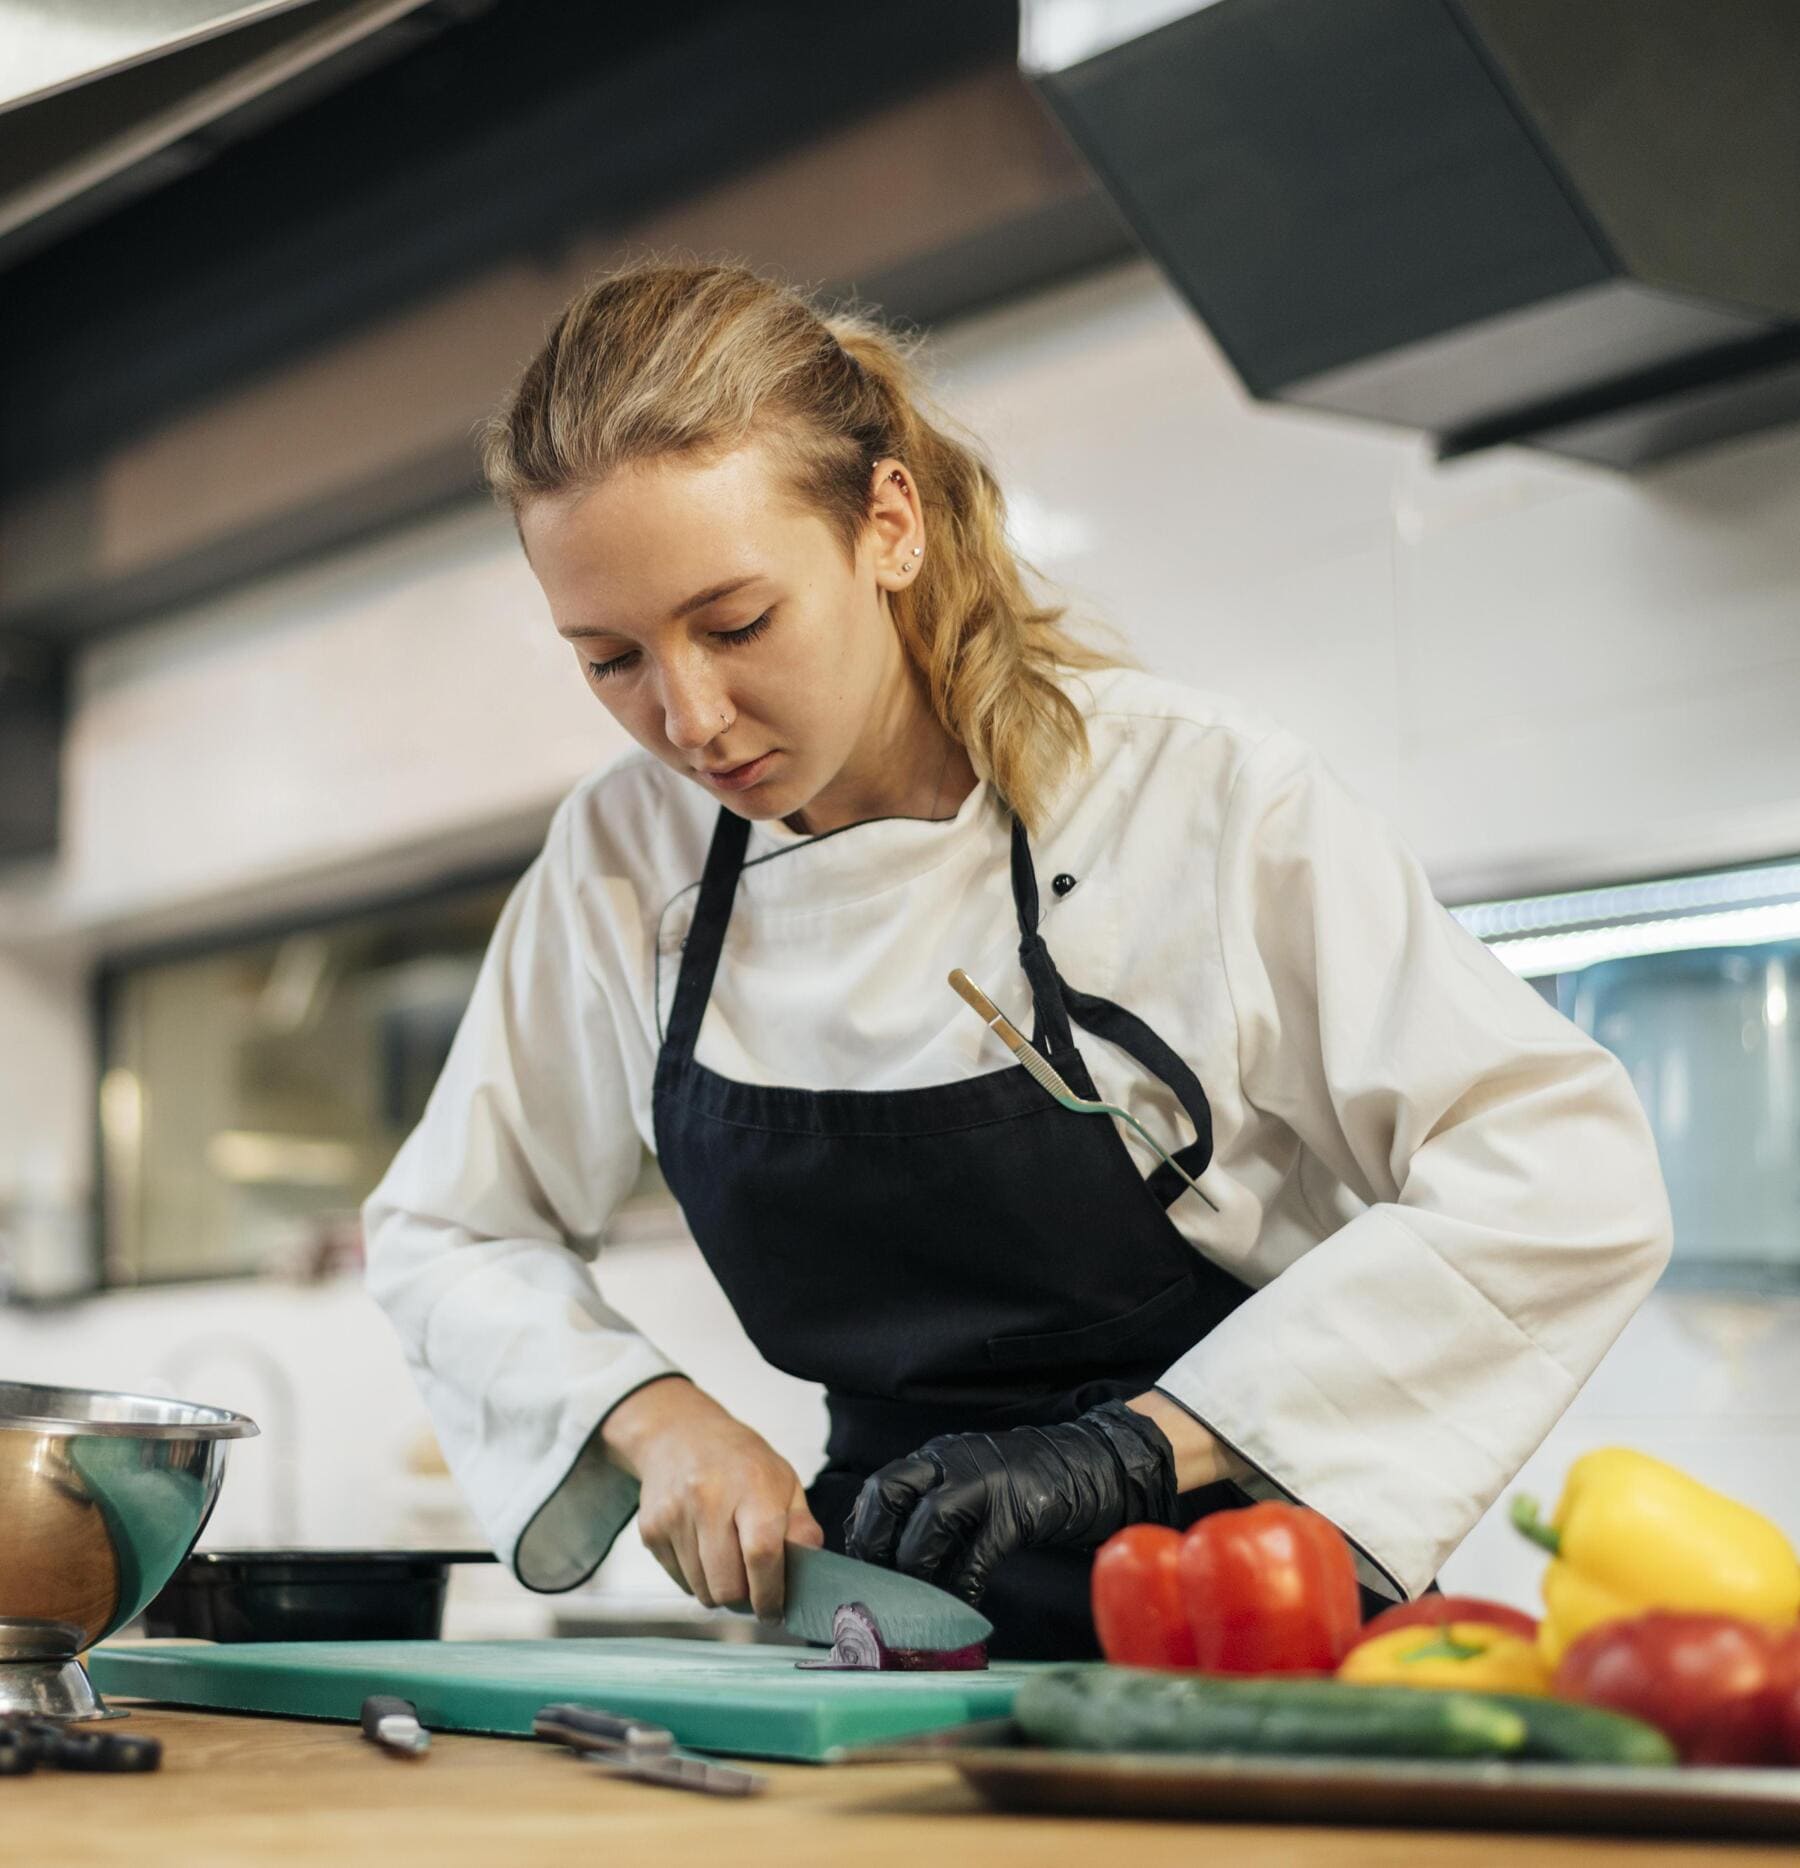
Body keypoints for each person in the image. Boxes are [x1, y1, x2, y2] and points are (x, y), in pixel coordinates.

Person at [363, 258, 1672, 1660]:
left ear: (888, 523)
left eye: (738, 624)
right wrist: (652, 1415)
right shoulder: (626, 859)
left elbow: (1562, 1173)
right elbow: (451, 1229)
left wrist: (1132, 1452)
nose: (689, 715)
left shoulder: (1199, 799)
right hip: (876, 1639)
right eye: (609, 659)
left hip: (1237, 1624)